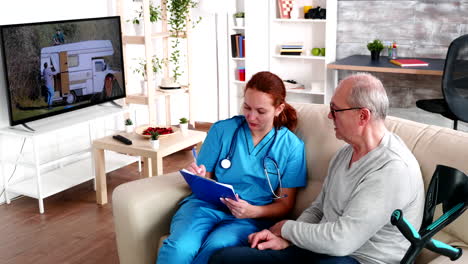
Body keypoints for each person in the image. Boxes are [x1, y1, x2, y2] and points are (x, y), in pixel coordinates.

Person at [209, 73, 425, 264]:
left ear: (363, 116)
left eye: (335, 109)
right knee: (225, 259)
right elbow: (318, 209)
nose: (330, 116)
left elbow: (342, 242)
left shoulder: (392, 169)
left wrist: (286, 228)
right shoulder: (345, 154)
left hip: (359, 258)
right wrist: (285, 239)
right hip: (319, 249)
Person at [157, 71, 307, 264]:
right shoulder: (222, 130)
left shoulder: (292, 147)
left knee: (215, 249)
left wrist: (253, 211)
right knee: (179, 249)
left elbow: (285, 205)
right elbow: (206, 176)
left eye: (261, 111)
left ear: (279, 109)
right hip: (205, 206)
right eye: (247, 107)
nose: (251, 117)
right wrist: (200, 177)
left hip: (250, 218)